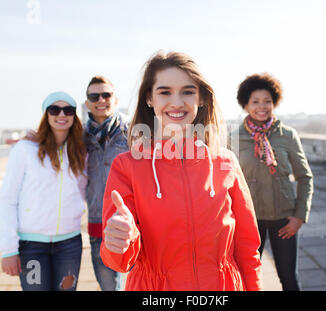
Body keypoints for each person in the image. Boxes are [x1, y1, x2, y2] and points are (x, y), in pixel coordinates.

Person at [99, 51, 262, 291]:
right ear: (149, 98)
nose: (176, 102)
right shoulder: (126, 167)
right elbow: (119, 262)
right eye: (165, 92)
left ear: (202, 98)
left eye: (187, 91)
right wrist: (119, 240)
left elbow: (248, 247)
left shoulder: (225, 162)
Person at [0, 91, 87, 291]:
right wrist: (8, 250)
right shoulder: (25, 150)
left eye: (68, 110)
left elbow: (83, 193)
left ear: (74, 116)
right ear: (46, 114)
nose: (62, 115)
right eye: (55, 109)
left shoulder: (80, 153)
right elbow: (7, 199)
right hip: (32, 245)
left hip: (69, 244)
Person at [233, 73, 313, 291]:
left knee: (288, 278)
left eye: (267, 101)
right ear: (246, 105)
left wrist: (299, 217)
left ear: (274, 102)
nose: (262, 106)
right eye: (255, 101)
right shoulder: (234, 139)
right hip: (249, 222)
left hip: (283, 220)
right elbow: (225, 182)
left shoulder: (287, 135)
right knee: (245, 280)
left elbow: (305, 177)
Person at [83, 76, 128, 291]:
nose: (101, 99)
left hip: (136, 222)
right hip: (98, 223)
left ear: (115, 99)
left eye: (106, 94)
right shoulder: (78, 137)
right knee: (110, 288)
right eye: (94, 96)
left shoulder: (134, 131)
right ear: (87, 103)